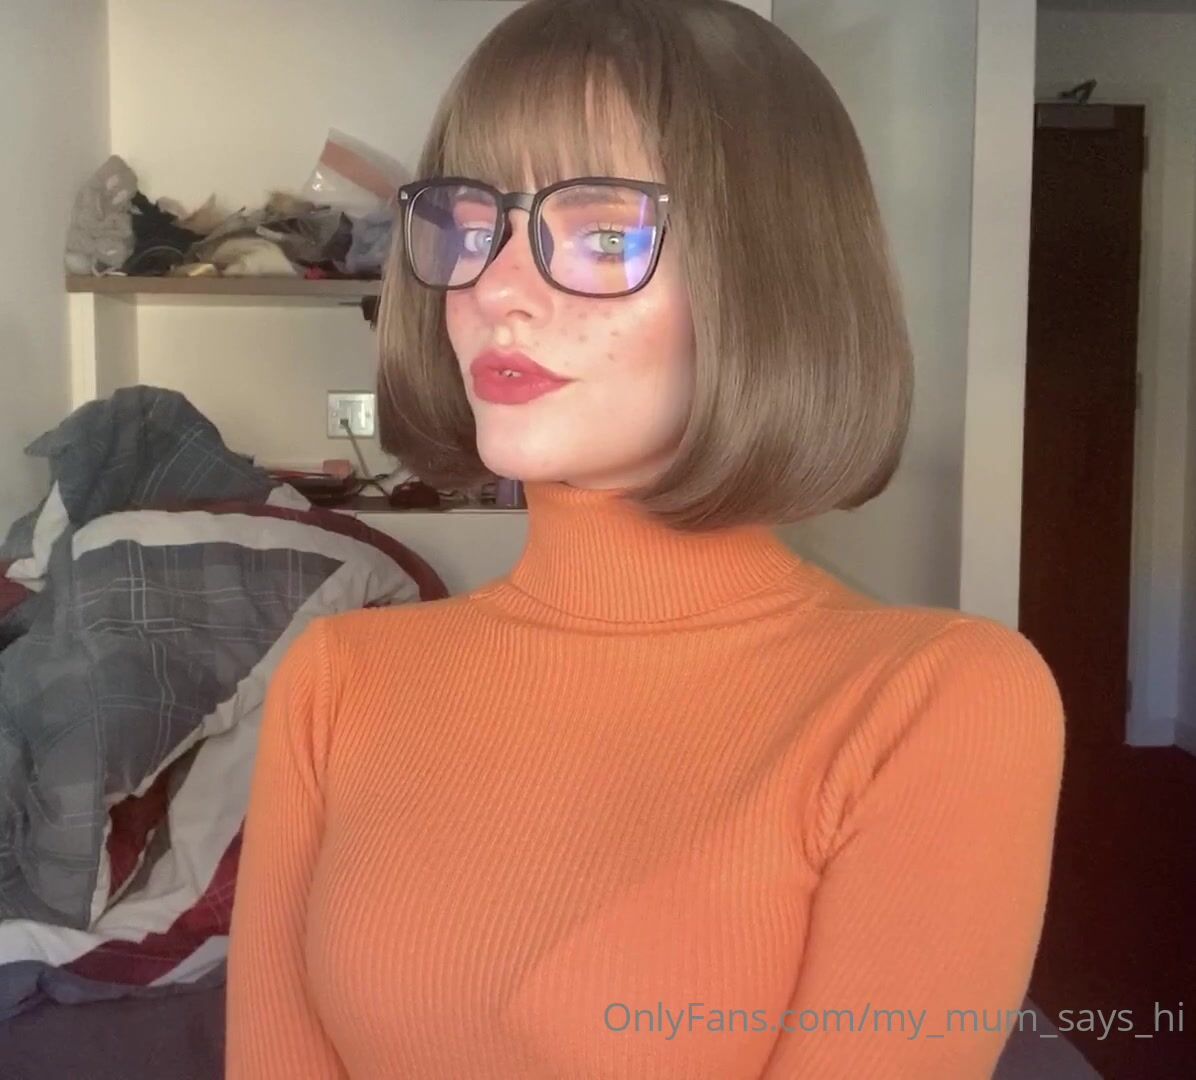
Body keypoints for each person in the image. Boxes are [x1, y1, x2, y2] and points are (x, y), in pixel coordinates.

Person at [226, 1, 1065, 1076]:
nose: (495, 287)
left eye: (605, 233)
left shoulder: (934, 701)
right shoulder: (338, 679)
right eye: (472, 224)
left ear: (769, 278)